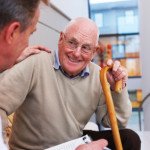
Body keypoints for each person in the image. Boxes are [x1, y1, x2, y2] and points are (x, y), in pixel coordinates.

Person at [0, 17, 141, 150]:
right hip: (32, 148)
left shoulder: (99, 75)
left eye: (86, 47)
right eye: (72, 43)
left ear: (94, 51)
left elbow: (116, 122)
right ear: (61, 39)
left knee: (130, 138)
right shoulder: (36, 62)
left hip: (72, 144)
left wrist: (116, 87)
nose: (76, 53)